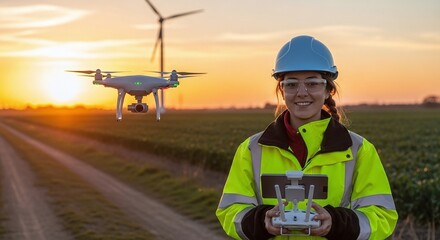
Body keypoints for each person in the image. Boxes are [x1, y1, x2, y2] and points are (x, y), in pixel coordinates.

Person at [216, 35, 398, 239]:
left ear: (329, 90)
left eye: (312, 83)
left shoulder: (358, 150)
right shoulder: (252, 149)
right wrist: (261, 221)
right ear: (281, 90)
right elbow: (230, 212)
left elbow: (382, 217)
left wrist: (335, 223)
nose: (301, 93)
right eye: (291, 84)